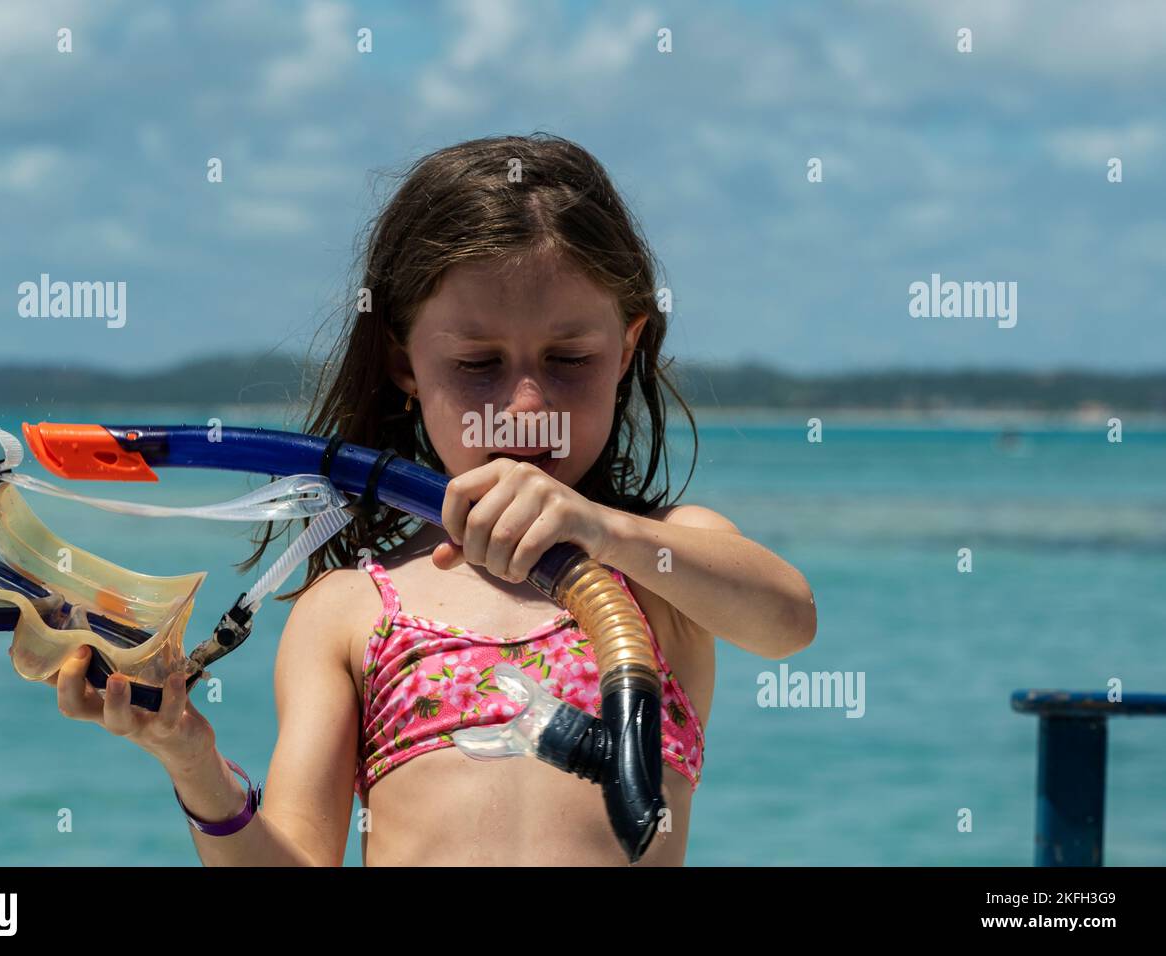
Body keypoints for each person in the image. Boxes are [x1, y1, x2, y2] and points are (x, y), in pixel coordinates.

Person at [52, 133, 817, 866]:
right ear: (404, 362)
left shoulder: (662, 561)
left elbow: (787, 621)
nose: (524, 405)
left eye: (570, 359)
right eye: (478, 363)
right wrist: (192, 764)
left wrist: (599, 531)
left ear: (628, 350)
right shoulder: (353, 610)